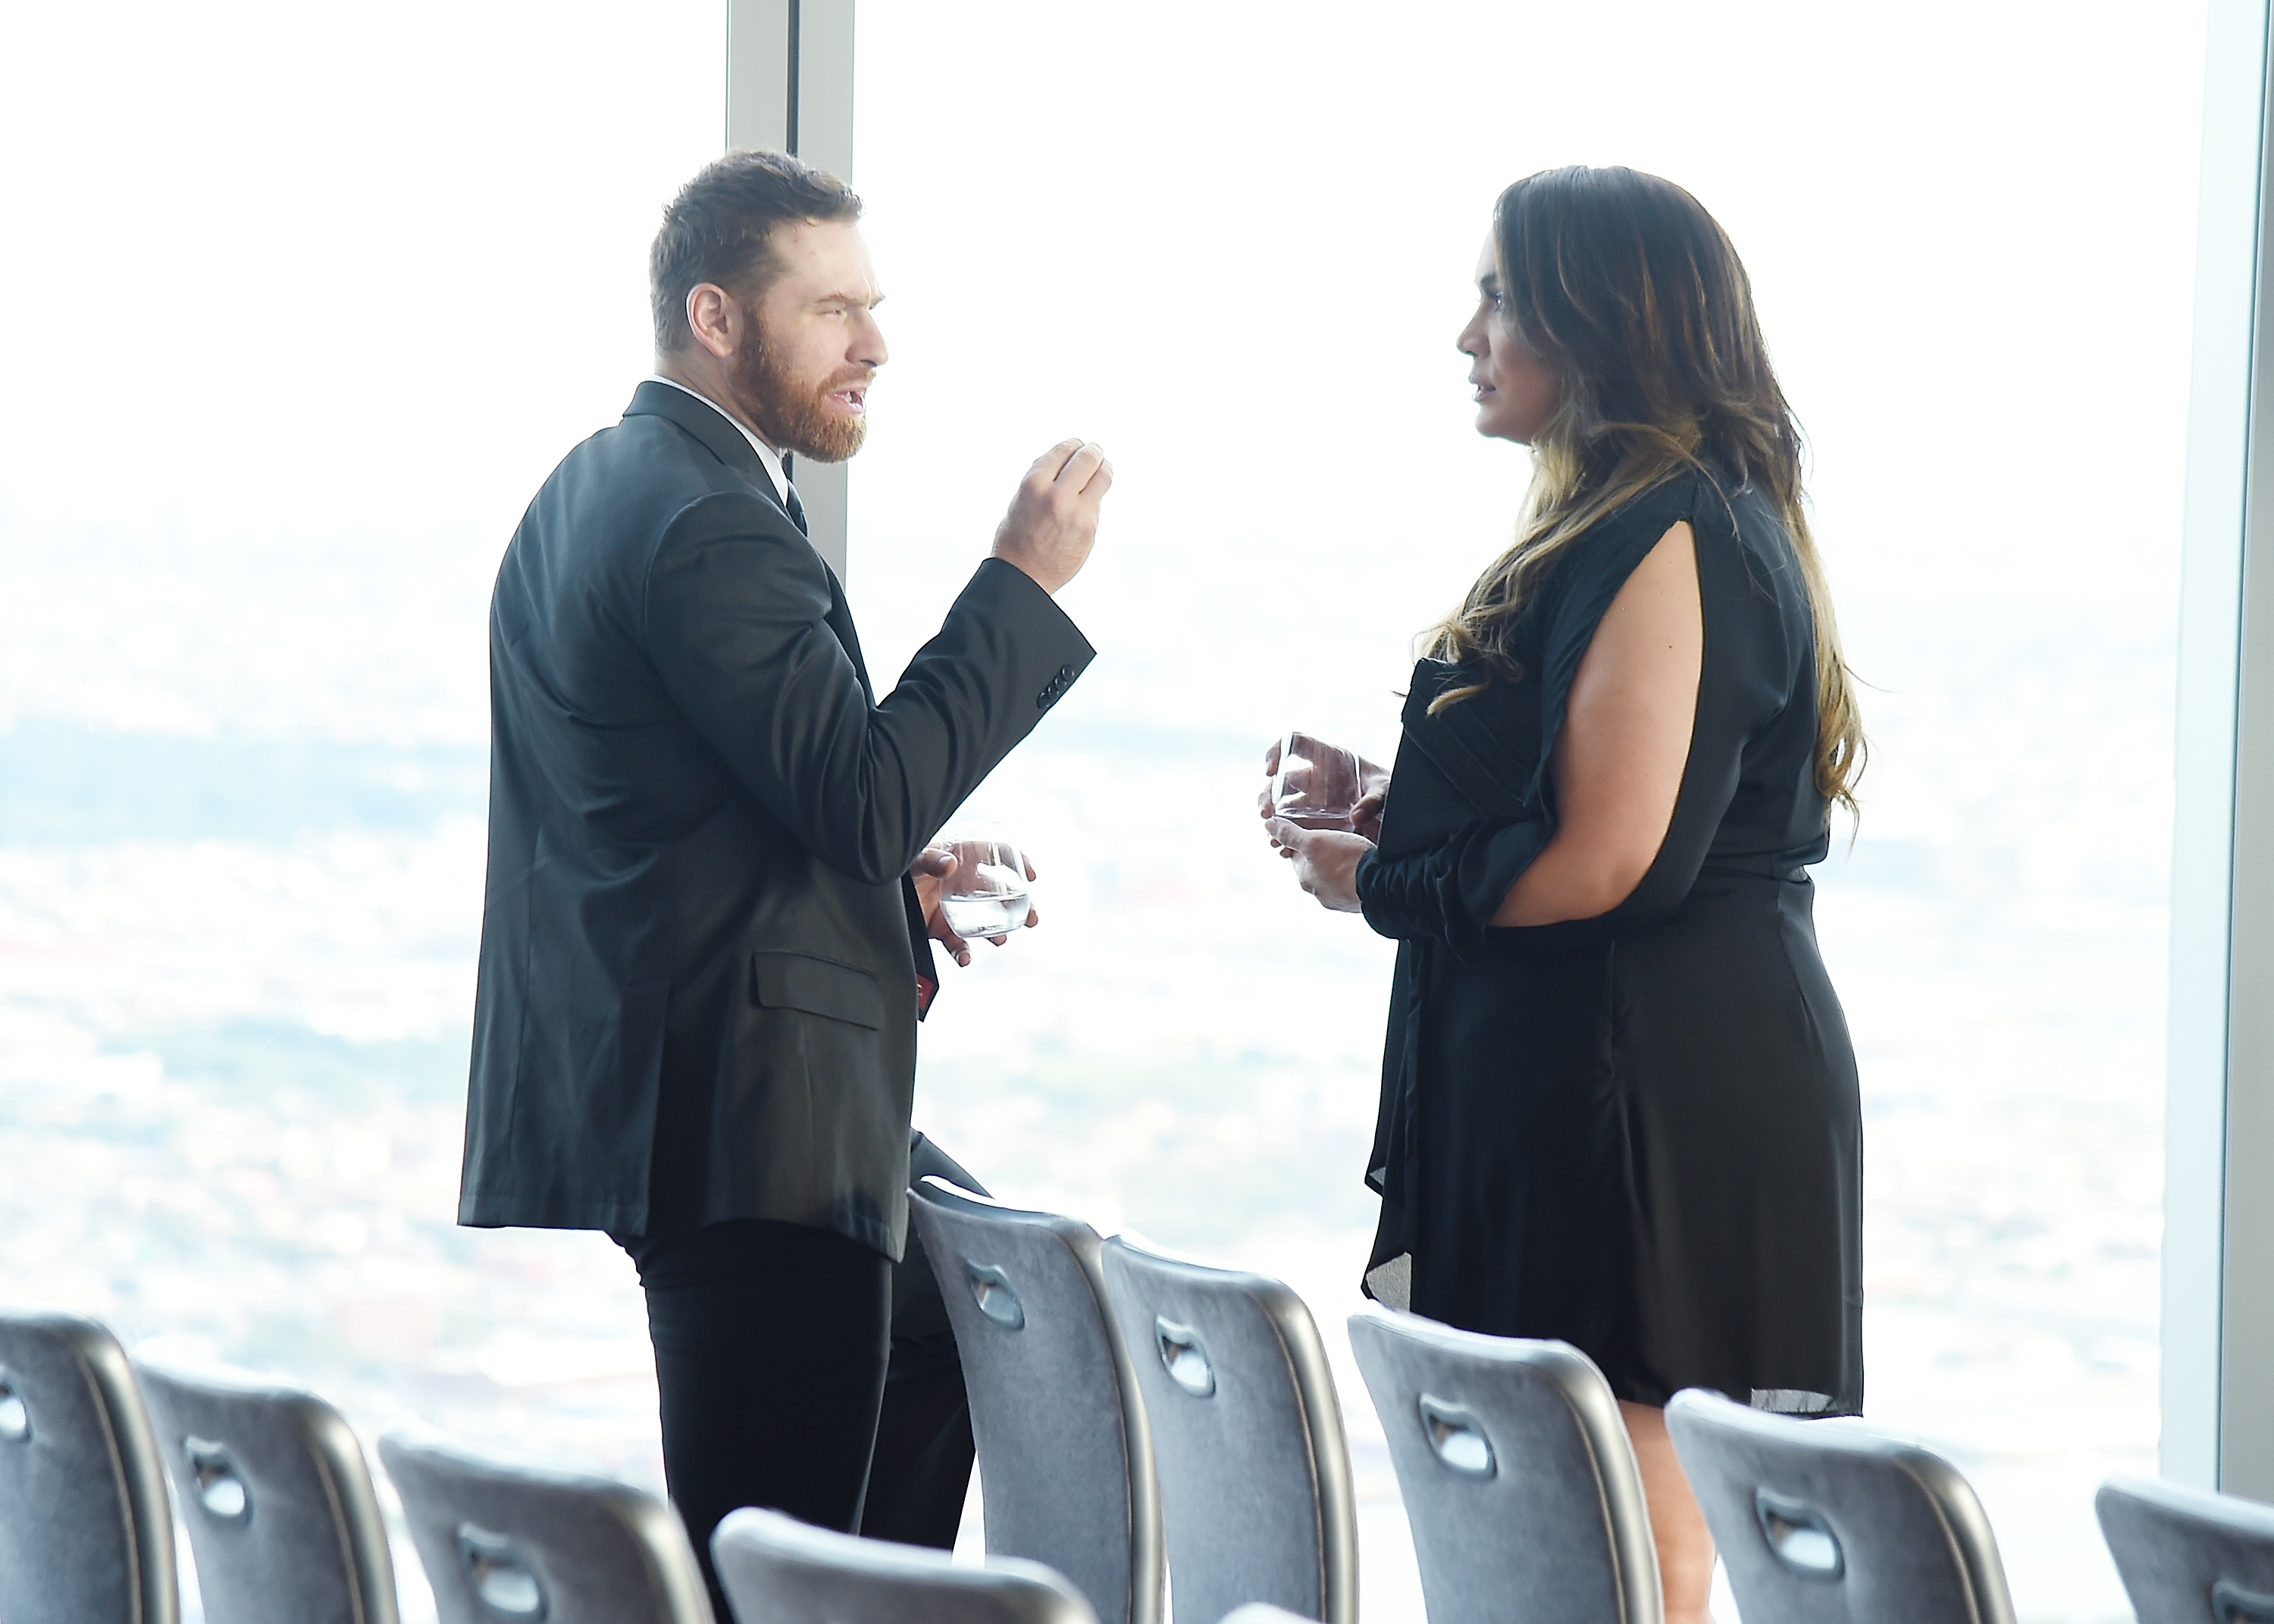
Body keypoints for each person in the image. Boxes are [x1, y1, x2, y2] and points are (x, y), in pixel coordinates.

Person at [458, 149, 1110, 1605]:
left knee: (959, 1308)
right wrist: (1020, 581)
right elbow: (863, 796)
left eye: (872, 307)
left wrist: (892, 902)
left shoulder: (603, 489)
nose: (874, 344)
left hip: (708, 1097)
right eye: (831, 311)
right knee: (764, 1559)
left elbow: (695, 824)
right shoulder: (707, 522)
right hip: (743, 1133)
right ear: (717, 317)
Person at [1263, 165, 1863, 1624]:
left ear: (1598, 321)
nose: (1467, 333)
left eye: (1496, 296)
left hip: (1648, 1096)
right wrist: (1405, 811)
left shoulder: (1674, 527)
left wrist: (1380, 880)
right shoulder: (1629, 518)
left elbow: (1611, 857)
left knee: (1628, 1566)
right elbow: (1579, 800)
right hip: (1596, 1078)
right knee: (1561, 1556)